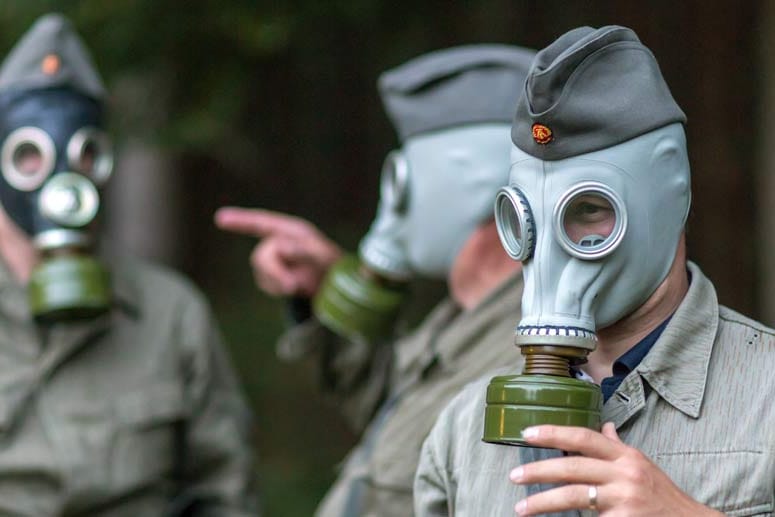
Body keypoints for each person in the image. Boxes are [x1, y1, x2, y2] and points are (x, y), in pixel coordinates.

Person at [415, 25, 775, 517]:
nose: (550, 257)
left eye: (587, 211)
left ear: (669, 194)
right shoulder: (462, 429)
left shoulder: (765, 399)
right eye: (527, 220)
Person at [216, 44, 534, 516]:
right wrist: (331, 288)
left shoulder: (531, 357)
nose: (396, 210)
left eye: (402, 182)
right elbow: (400, 414)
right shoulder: (467, 320)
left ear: (467, 184)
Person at [0, 13, 258, 516]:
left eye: (83, 154)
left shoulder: (170, 314)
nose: (58, 179)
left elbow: (226, 493)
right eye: (29, 155)